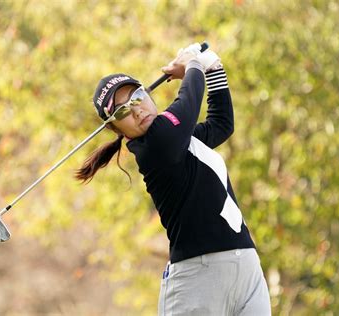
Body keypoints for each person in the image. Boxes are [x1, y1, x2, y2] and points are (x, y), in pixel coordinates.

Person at [76, 43, 271, 315]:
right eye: (121, 112)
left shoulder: (180, 141)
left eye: (137, 96)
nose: (136, 110)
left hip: (244, 267)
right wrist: (192, 65)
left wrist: (213, 68)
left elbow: (221, 124)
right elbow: (187, 102)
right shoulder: (155, 145)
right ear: (114, 127)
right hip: (197, 278)